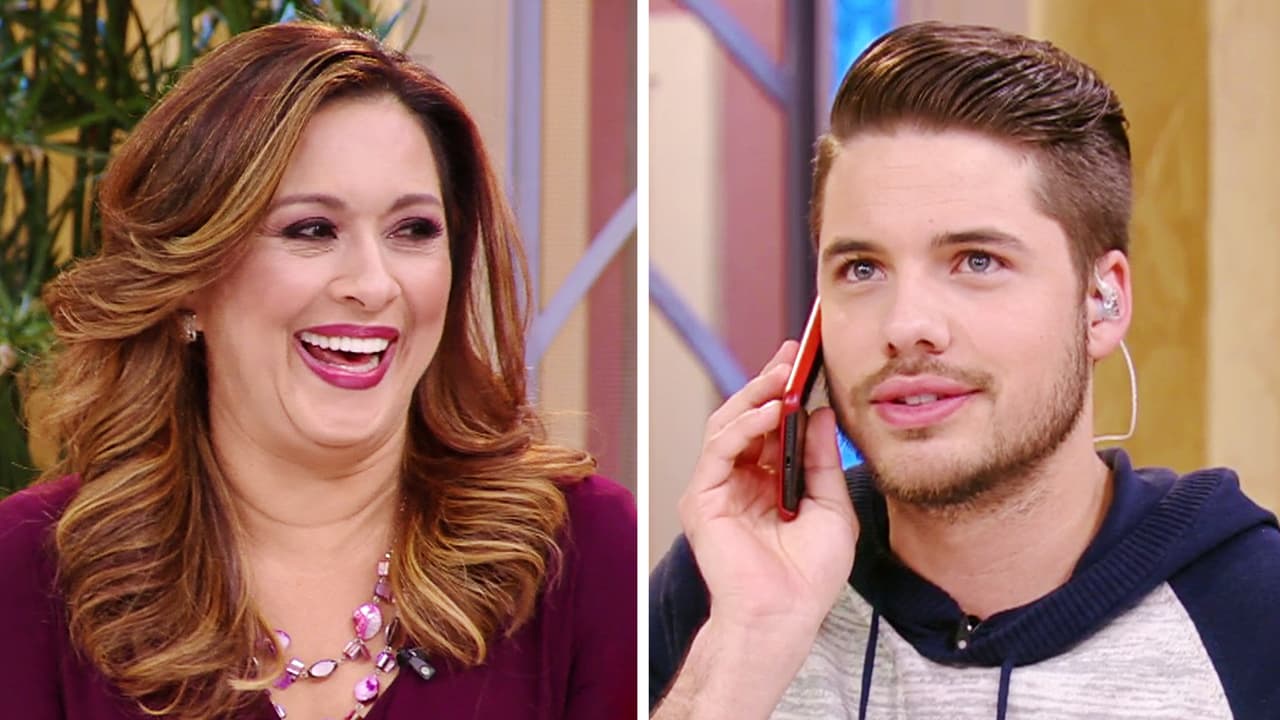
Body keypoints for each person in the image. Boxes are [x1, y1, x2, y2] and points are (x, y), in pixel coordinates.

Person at [0, 21, 636, 720]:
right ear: (189, 278)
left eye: (413, 231)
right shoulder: (28, 570)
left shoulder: (583, 551)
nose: (374, 284)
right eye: (311, 230)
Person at [650, 21, 1280, 720]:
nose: (905, 325)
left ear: (1102, 302)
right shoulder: (723, 592)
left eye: (978, 261)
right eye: (862, 269)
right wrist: (746, 646)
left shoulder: (1254, 611)